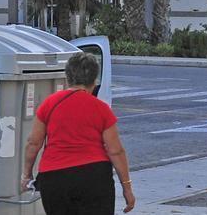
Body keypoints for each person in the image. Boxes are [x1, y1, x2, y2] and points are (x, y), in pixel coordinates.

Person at [21, 52, 135, 214]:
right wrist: (127, 187)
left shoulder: (49, 104)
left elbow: (34, 142)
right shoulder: (101, 109)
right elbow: (115, 150)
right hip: (94, 177)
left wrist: (27, 175)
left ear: (68, 77)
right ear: (95, 81)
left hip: (55, 178)